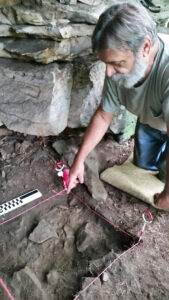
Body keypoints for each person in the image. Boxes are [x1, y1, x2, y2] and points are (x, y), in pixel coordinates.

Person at [67, 1, 169, 210]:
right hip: (152, 117)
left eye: (117, 64)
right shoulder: (117, 67)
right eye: (107, 63)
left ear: (146, 48)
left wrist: (167, 194)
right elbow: (104, 115)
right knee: (143, 164)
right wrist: (79, 160)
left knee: (165, 174)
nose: (109, 73)